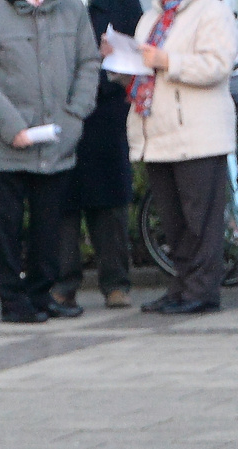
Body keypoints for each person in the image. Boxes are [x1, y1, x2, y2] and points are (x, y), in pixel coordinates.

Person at [0, 0, 100, 324]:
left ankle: (41, 295)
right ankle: (12, 301)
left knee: (49, 226)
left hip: (57, 141)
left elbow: (89, 64)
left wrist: (75, 114)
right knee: (8, 226)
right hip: (8, 146)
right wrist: (14, 127)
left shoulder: (73, 11)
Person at [116, 0, 238, 314]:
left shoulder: (212, 10)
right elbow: (143, 73)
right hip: (156, 134)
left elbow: (218, 64)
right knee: (173, 222)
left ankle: (202, 291)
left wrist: (167, 60)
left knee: (200, 222)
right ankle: (181, 288)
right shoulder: (151, 18)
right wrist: (119, 61)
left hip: (198, 134)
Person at [53, 0, 144, 311]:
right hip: (60, 115)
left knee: (110, 206)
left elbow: (140, 50)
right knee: (62, 204)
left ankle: (116, 284)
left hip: (106, 116)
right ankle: (62, 284)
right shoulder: (53, 6)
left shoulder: (122, 4)